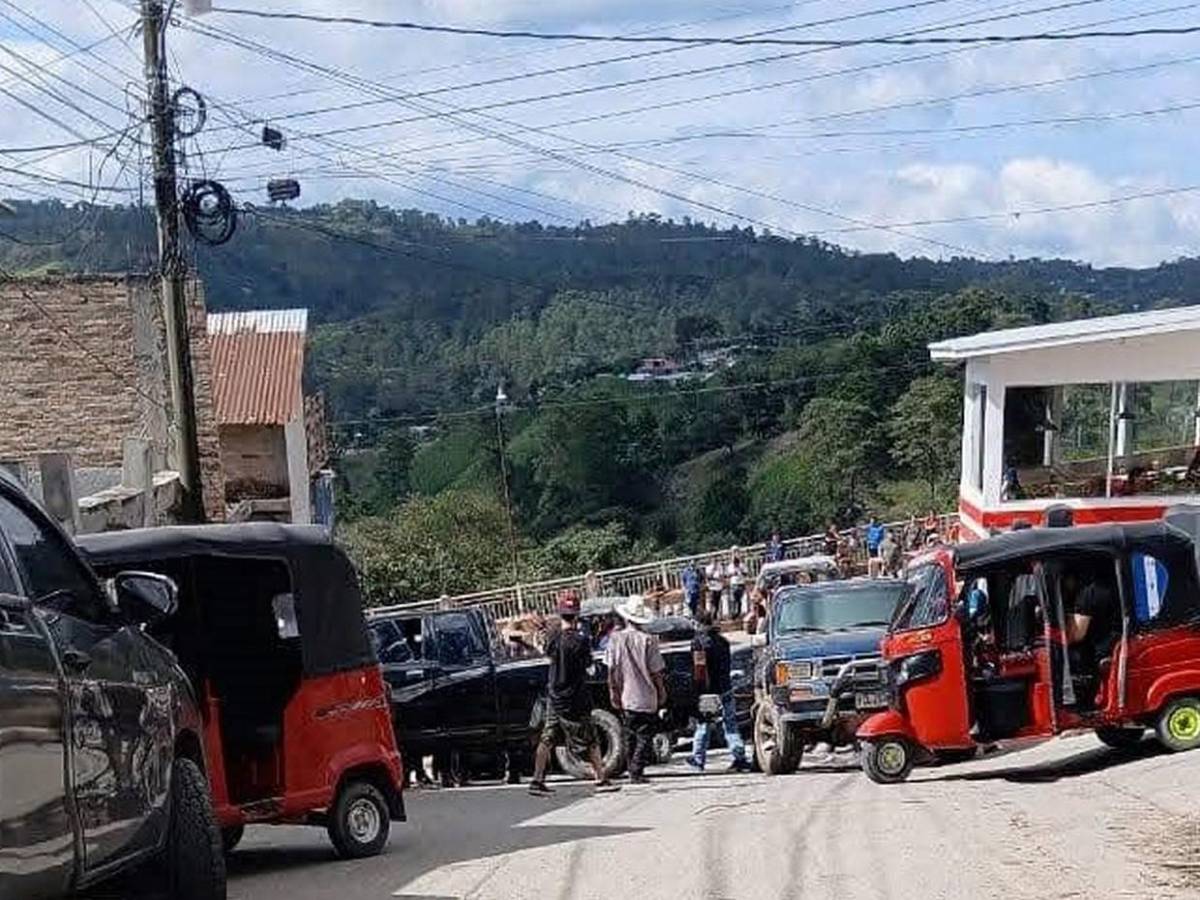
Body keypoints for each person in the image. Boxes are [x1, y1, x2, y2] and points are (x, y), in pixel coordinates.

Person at [529, 591, 619, 796]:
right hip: (576, 697)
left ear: (561, 613)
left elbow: (548, 654)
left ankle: (536, 779)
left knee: (547, 738)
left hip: (555, 696)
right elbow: (589, 667)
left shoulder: (553, 637)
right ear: (577, 614)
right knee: (591, 738)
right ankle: (601, 778)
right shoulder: (581, 641)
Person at [605, 598, 667, 784]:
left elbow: (611, 670)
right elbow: (656, 671)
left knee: (629, 733)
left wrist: (613, 691)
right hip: (647, 696)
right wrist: (661, 691)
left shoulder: (615, 639)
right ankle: (636, 770)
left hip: (626, 695)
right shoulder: (648, 641)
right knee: (644, 735)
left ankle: (632, 768)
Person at [687, 611, 753, 773]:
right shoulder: (723, 641)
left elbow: (700, 669)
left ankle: (698, 758)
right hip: (725, 688)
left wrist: (698, 689)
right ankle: (739, 757)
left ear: (698, 624)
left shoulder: (699, 644)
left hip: (709, 691)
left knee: (704, 724)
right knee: (730, 725)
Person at [726, 551, 747, 620]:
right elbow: (727, 575)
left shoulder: (742, 565)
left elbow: (746, 573)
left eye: (737, 563)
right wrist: (733, 573)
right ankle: (733, 614)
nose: (736, 564)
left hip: (741, 584)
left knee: (739, 600)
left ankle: (738, 613)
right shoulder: (730, 566)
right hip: (733, 584)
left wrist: (741, 571)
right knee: (733, 600)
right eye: (735, 563)